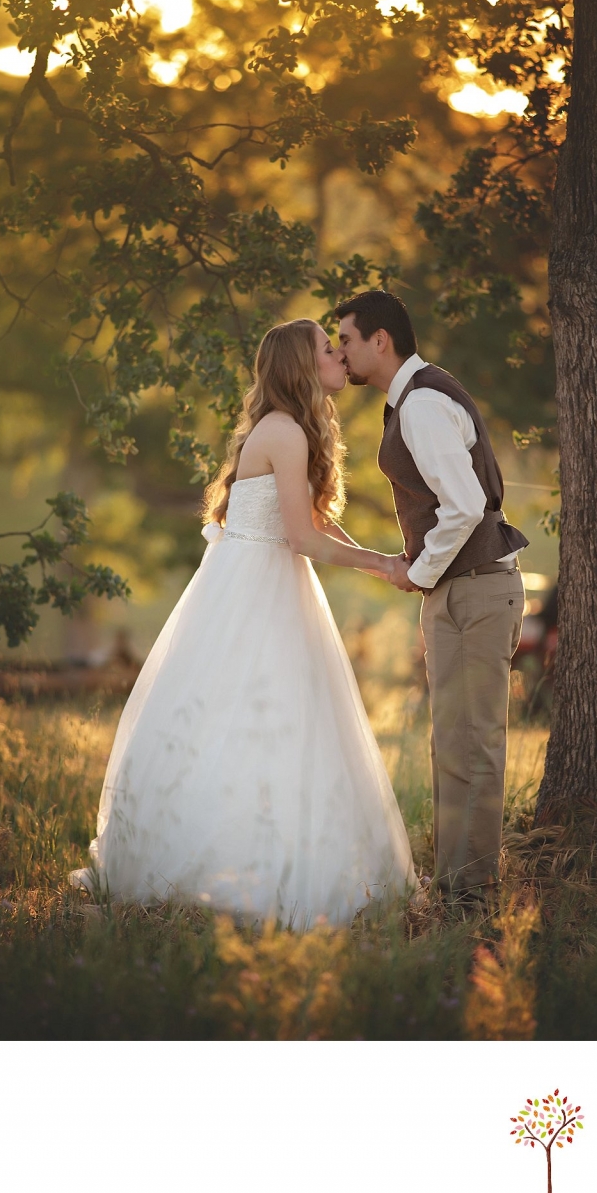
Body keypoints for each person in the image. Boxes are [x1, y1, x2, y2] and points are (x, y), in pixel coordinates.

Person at [70, 318, 416, 928]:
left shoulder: (289, 429)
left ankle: (276, 852)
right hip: (259, 584)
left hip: (269, 577)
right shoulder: (285, 432)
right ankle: (235, 866)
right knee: (250, 712)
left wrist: (377, 557)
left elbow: (313, 520)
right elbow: (303, 538)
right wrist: (383, 564)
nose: (339, 357)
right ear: (301, 366)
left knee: (279, 716)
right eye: (327, 349)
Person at [335, 290, 529, 905]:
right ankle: (454, 885)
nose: (341, 352)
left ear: (381, 340)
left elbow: (466, 506)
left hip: (475, 590)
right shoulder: (412, 399)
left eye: (346, 340)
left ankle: (471, 896)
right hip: (461, 590)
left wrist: (419, 571)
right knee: (452, 743)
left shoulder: (420, 404)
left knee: (471, 745)